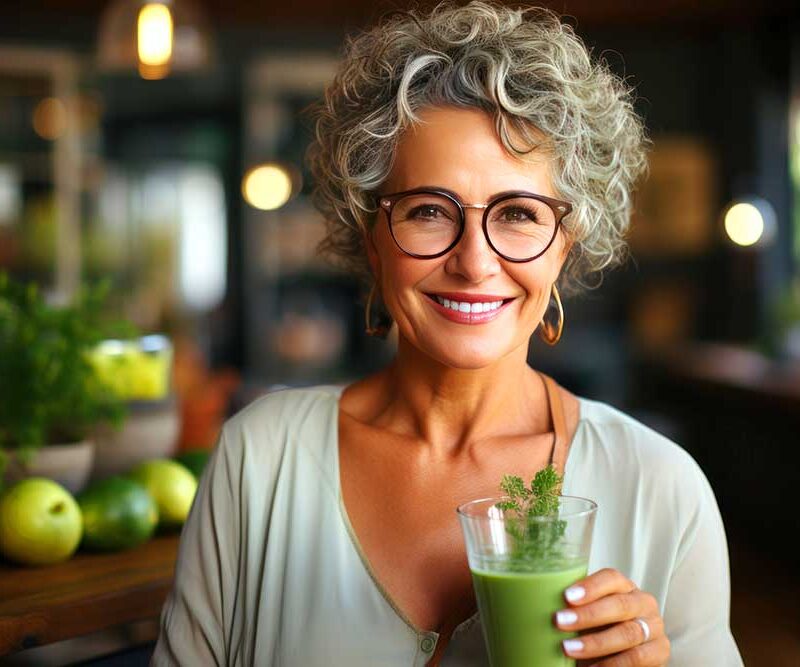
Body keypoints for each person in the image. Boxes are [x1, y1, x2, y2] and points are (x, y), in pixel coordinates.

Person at [150, 2, 744, 665]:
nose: (474, 262)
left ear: (564, 250)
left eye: (519, 213)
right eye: (430, 210)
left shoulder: (661, 488)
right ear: (370, 238)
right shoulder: (258, 462)